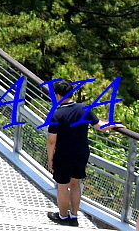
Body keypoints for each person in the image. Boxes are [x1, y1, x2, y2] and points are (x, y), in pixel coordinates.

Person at [46, 78, 103, 226]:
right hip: (81, 154)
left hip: (64, 155)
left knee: (63, 186)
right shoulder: (84, 108)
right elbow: (100, 126)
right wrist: (116, 125)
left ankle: (63, 216)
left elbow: (51, 140)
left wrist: (50, 158)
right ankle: (74, 216)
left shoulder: (57, 115)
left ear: (58, 95)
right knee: (75, 184)